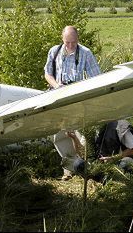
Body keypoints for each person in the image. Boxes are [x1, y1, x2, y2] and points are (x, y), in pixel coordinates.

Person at [45, 25, 102, 180]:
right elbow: (47, 74)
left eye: (73, 42)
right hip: (57, 97)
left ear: (78, 39)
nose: (70, 45)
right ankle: (68, 168)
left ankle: (85, 166)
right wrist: (57, 86)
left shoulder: (85, 53)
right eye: (67, 42)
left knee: (80, 133)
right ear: (62, 39)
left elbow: (96, 77)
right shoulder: (54, 51)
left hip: (76, 99)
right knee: (58, 135)